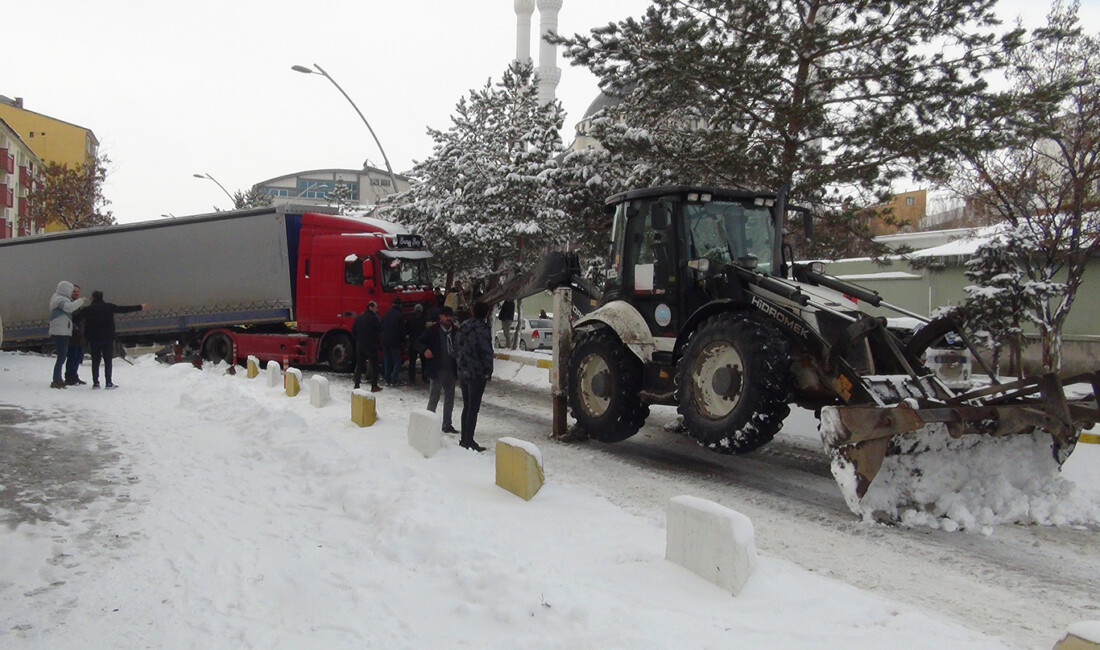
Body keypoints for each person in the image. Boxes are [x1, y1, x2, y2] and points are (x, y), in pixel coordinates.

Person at [79, 290, 147, 389]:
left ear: (92, 298)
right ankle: (108, 383)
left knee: (95, 361)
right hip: (107, 338)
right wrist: (140, 307)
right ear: (102, 297)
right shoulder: (109, 307)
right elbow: (123, 309)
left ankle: (96, 383)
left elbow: (76, 317)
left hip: (93, 339)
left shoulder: (87, 309)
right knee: (108, 361)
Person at [455, 301, 494, 452]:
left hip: (463, 371)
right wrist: (488, 371)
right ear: (486, 314)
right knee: (473, 407)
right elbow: (486, 351)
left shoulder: (463, 326)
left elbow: (456, 348)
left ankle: (464, 438)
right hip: (477, 373)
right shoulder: (482, 329)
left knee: (467, 405)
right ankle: (469, 440)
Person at [415, 305, 459, 434]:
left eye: (450, 316)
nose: (449, 318)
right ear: (440, 317)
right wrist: (425, 350)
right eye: (446, 316)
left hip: (451, 369)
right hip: (437, 369)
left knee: (449, 399)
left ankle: (447, 424)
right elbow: (418, 343)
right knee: (434, 397)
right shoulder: (432, 330)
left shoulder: (456, 331)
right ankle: (428, 423)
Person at [48, 280, 86, 389]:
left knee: (63, 356)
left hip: (62, 330)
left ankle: (58, 378)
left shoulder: (57, 298)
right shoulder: (60, 299)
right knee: (62, 356)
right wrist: (81, 301)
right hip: (61, 331)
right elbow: (69, 307)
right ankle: (57, 380)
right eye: (71, 290)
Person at [352, 300, 383, 392]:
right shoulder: (374, 318)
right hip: (371, 345)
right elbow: (379, 329)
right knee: (374, 366)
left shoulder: (359, 317)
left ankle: (356, 385)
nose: (376, 310)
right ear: (371, 307)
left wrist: (358, 340)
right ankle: (374, 386)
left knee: (359, 365)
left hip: (360, 344)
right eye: (375, 308)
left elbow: (353, 331)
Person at [65, 285, 87, 386]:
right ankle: (70, 378)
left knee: (78, 357)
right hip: (73, 336)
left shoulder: (78, 304)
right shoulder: (68, 304)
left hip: (80, 336)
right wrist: (76, 328)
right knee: (72, 357)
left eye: (78, 291)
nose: (76, 293)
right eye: (74, 291)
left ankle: (74, 376)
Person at [380, 297, 406, 386]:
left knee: (387, 360)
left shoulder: (386, 314)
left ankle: (387, 378)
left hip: (385, 340)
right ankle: (394, 379)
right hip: (394, 341)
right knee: (397, 361)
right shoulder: (400, 315)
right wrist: (402, 340)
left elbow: (381, 326)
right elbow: (401, 330)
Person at [406, 303, 427, 385]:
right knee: (424, 361)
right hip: (422, 343)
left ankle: (412, 379)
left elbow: (407, 330)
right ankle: (424, 377)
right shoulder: (424, 319)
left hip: (412, 342)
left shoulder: (410, 318)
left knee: (412, 362)